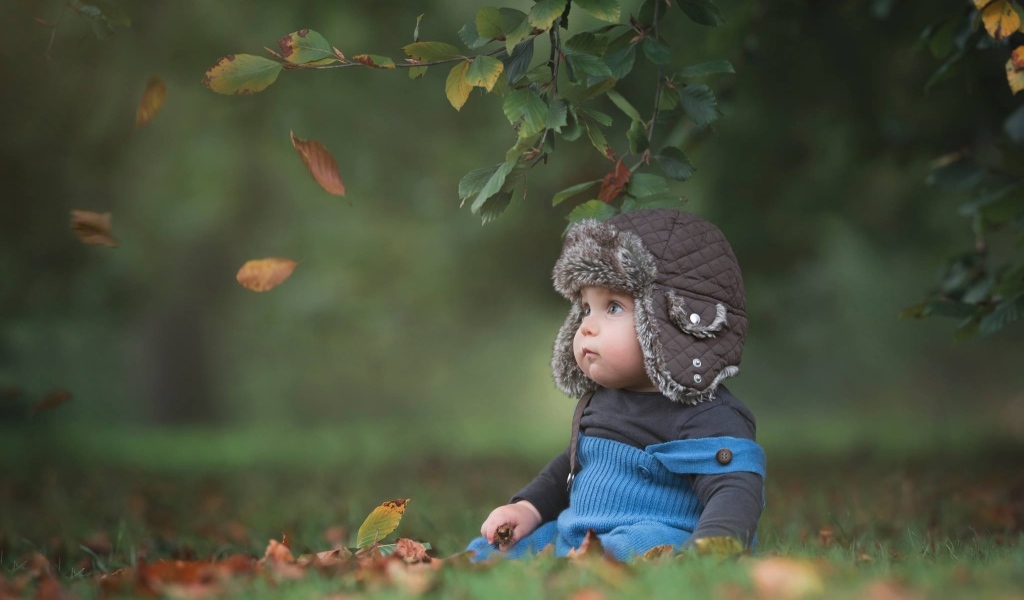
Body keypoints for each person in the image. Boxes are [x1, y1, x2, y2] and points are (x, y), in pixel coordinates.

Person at [466, 209, 766, 561]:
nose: (587, 327)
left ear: (669, 323)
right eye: (586, 308)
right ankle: (467, 565)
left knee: (636, 544)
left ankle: (591, 564)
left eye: (612, 308)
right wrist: (528, 508)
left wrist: (710, 548)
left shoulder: (709, 417)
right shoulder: (602, 401)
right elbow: (570, 466)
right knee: (507, 546)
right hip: (580, 532)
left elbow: (735, 491)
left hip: (657, 533)